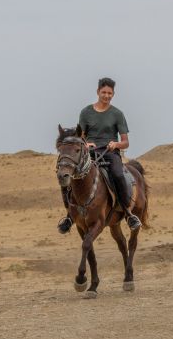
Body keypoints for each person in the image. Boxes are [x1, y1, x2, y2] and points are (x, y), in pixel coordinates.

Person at [58, 77, 142, 233]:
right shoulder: (86, 112)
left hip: (110, 153)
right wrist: (86, 143)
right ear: (98, 92)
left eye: (110, 93)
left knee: (117, 175)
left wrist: (116, 144)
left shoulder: (117, 114)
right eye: (104, 92)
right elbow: (79, 137)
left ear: (113, 94)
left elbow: (125, 142)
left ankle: (128, 213)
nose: (106, 95)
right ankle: (70, 215)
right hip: (90, 153)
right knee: (68, 174)